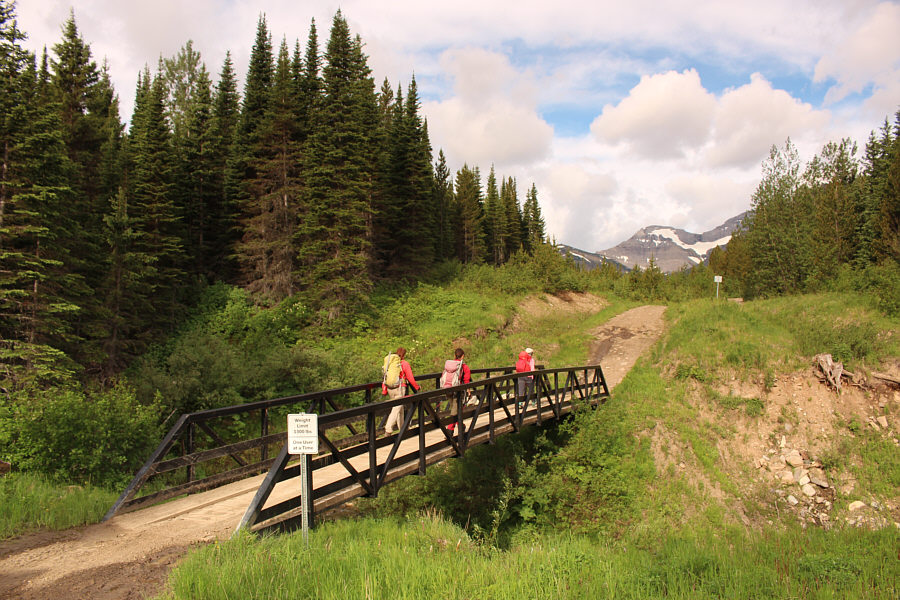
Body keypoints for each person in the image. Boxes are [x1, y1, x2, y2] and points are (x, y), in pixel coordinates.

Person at [382, 347, 420, 434]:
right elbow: (410, 378)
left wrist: (384, 390)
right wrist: (416, 387)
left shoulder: (391, 363)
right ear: (404, 355)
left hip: (390, 388)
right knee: (397, 408)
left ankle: (403, 429)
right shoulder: (404, 363)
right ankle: (388, 428)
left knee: (400, 408)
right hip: (399, 388)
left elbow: (385, 376)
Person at [441, 348, 471, 431]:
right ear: (463, 356)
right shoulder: (464, 366)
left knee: (455, 409)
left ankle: (461, 426)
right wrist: (468, 391)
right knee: (455, 410)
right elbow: (466, 380)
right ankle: (450, 430)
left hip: (447, 389)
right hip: (457, 390)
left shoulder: (449, 365)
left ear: (454, 355)